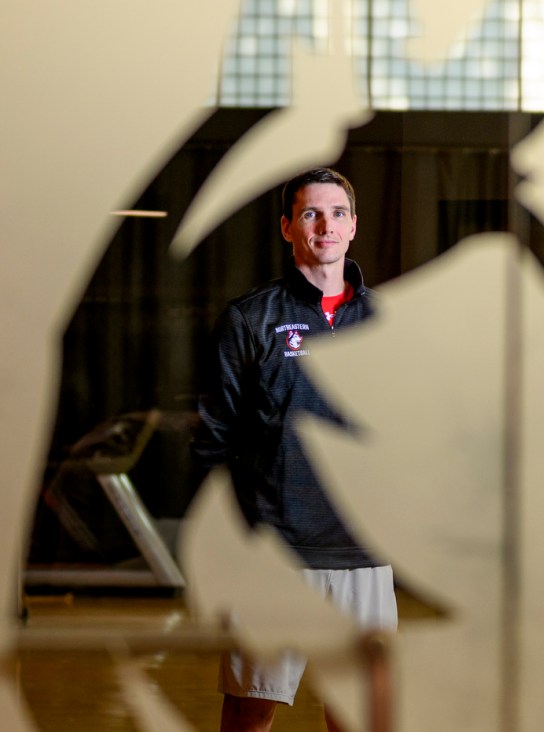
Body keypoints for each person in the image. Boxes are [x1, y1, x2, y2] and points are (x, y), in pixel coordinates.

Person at [193, 167, 397, 732]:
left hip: (362, 553)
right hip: (274, 556)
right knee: (249, 712)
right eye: (310, 213)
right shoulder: (249, 319)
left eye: (336, 213)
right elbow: (214, 440)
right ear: (288, 227)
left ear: (353, 226)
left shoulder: (388, 322)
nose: (324, 225)